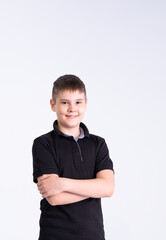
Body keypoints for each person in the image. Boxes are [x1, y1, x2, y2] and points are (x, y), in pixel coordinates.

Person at [32, 74, 115, 240]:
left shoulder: (98, 144)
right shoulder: (43, 144)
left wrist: (62, 183)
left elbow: (108, 188)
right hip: (55, 235)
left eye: (78, 102)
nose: (72, 108)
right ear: (52, 104)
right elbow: (54, 197)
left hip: (93, 236)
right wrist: (95, 189)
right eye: (65, 102)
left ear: (85, 104)